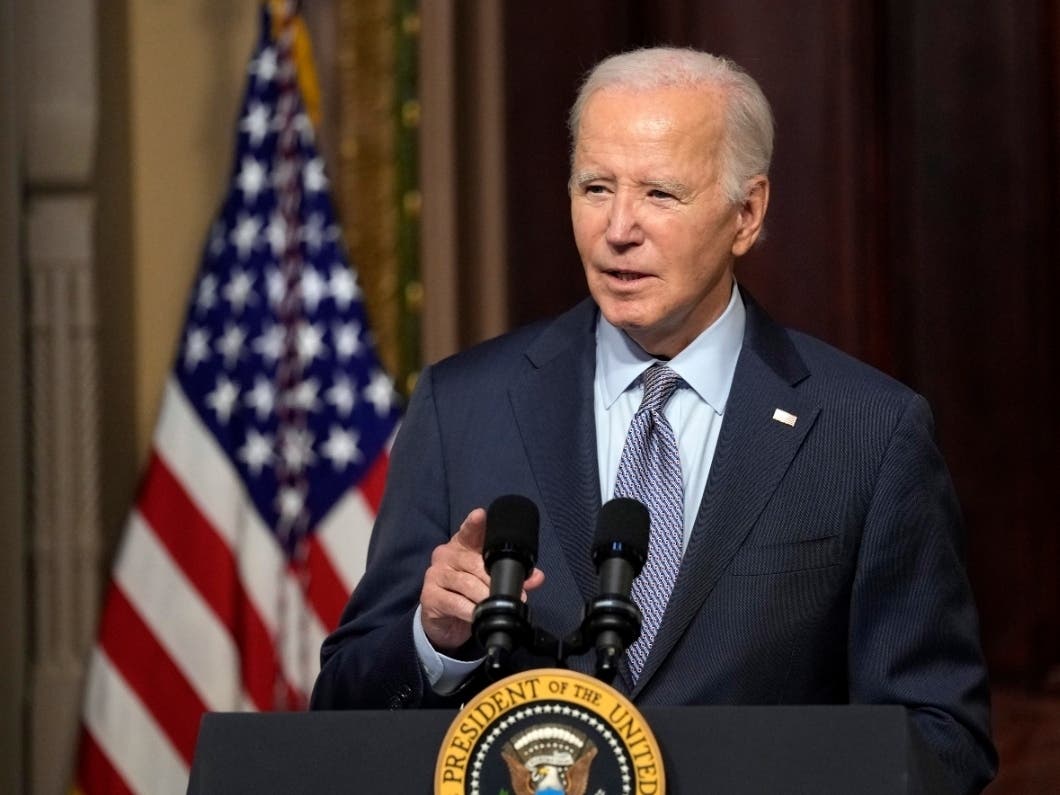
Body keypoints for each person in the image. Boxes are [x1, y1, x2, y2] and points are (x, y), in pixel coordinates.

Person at [311, 47, 997, 793]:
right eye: (595, 187)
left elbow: (941, 740)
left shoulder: (867, 431)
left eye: (660, 194)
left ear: (747, 213)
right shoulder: (464, 405)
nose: (618, 228)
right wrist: (435, 642)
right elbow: (343, 708)